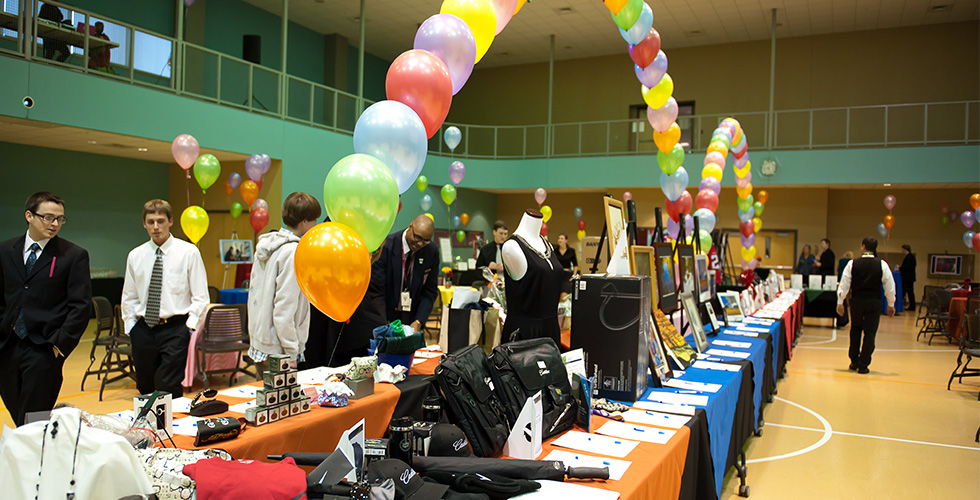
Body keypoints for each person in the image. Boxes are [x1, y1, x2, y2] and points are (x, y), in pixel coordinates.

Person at [0, 192, 91, 426]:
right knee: (17, 410)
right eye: (48, 217)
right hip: (7, 345)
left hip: (44, 347)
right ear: (29, 216)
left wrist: (60, 345)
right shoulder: (5, 250)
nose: (55, 224)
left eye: (60, 219)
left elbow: (80, 306)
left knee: (35, 418)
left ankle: (33, 458)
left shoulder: (73, 255)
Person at [122, 199, 208, 398]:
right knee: (145, 385)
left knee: (167, 385)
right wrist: (131, 327)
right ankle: (147, 428)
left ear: (170, 221)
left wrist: (189, 326)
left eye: (160, 221)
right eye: (150, 222)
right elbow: (129, 295)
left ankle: (170, 427)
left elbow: (201, 295)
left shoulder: (188, 252)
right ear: (144, 223)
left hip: (175, 328)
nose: (155, 227)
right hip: (143, 329)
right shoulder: (136, 255)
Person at [247, 193, 321, 372]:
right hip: (279, 349)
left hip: (262, 341)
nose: (315, 226)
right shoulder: (292, 252)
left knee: (264, 397)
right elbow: (284, 306)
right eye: (314, 221)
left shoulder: (268, 245)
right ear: (304, 221)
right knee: (279, 399)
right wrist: (291, 350)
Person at [369, 215, 439, 334]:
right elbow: (377, 290)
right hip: (386, 316)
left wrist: (418, 321)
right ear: (410, 226)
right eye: (417, 237)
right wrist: (384, 325)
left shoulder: (431, 251)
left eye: (425, 241)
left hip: (412, 318)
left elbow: (430, 291)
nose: (420, 244)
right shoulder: (386, 246)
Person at [836, 237, 896, 374]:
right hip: (874, 302)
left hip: (857, 301)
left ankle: (854, 361)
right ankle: (863, 364)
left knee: (855, 330)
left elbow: (844, 283)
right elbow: (890, 285)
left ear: (863, 247)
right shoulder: (882, 264)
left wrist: (840, 302)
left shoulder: (853, 263)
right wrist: (891, 304)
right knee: (870, 333)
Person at [898, 244, 916, 310]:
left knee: (903, 292)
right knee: (910, 293)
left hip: (907, 278)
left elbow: (907, 267)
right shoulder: (911, 256)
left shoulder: (909, 257)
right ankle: (912, 306)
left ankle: (898, 306)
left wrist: (900, 268)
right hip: (910, 278)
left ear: (905, 249)